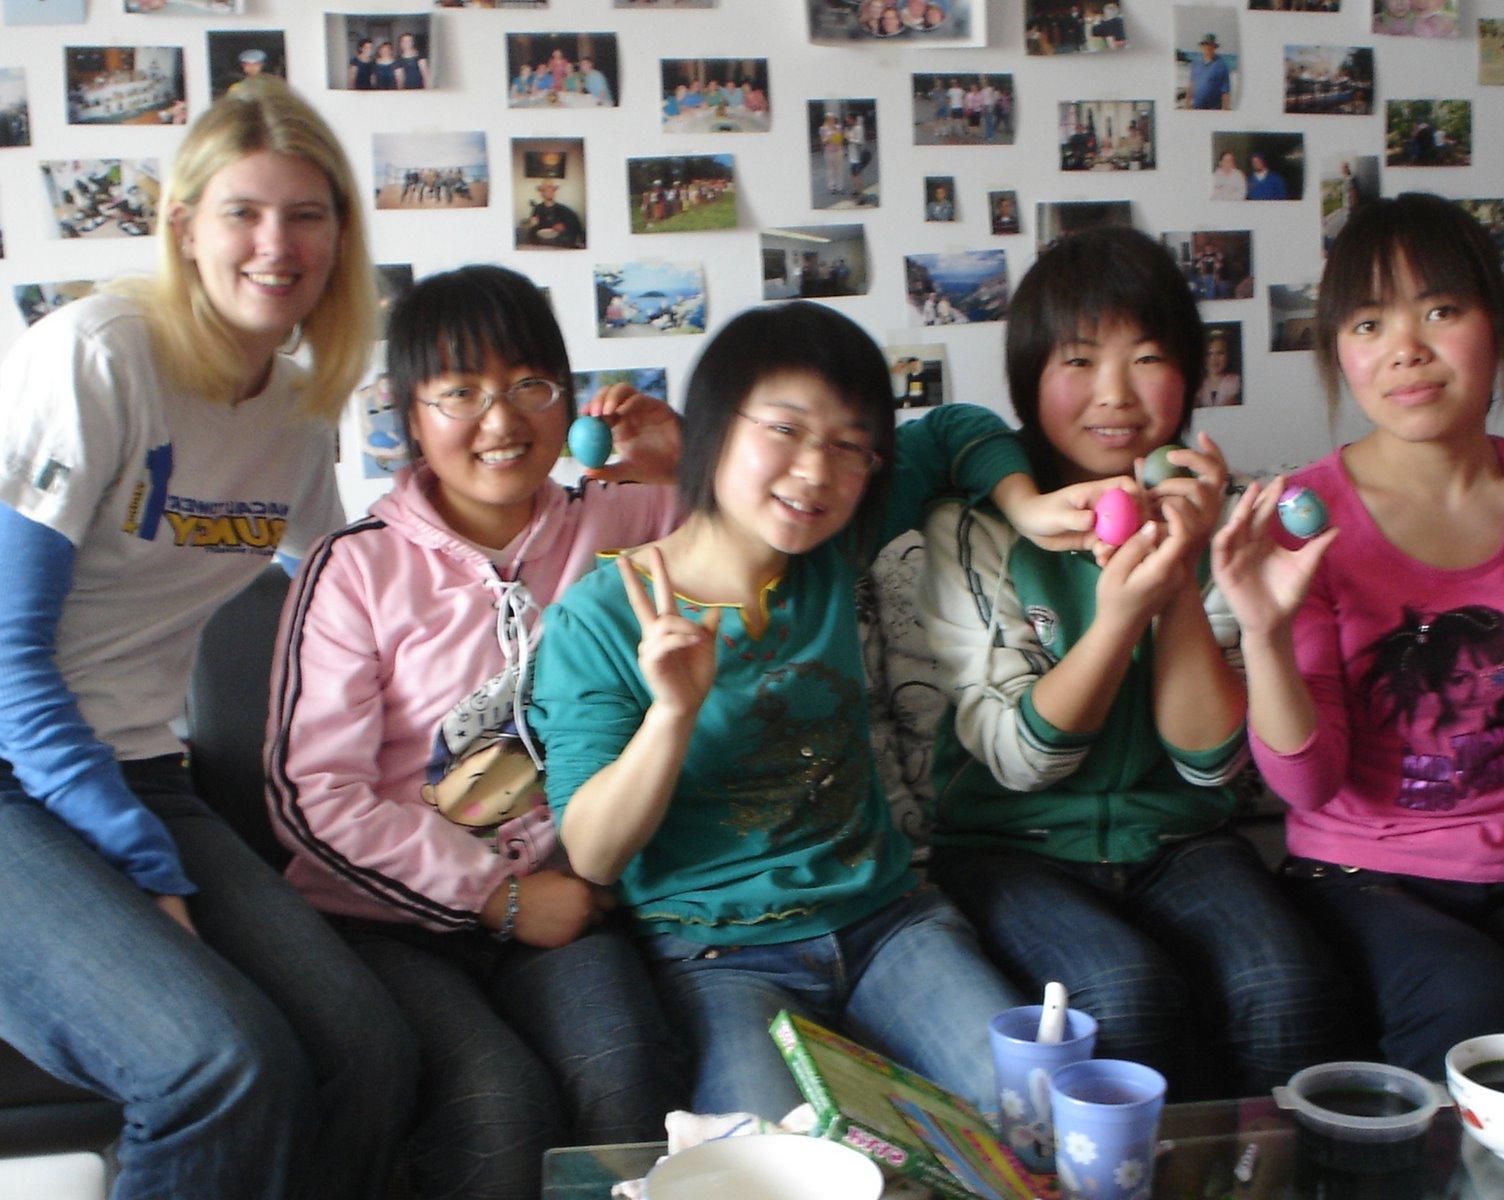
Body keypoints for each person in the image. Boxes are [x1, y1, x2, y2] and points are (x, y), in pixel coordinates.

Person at [530, 302, 1107, 1121]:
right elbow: (592, 852)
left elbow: (953, 429)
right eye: (786, 430)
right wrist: (672, 713)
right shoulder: (603, 615)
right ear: (712, 434)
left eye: (848, 444)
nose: (815, 471)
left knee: (1037, 1113)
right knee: (765, 1167)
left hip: (887, 925)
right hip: (719, 957)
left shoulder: (828, 552)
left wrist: (1025, 507)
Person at [0, 78, 415, 1200]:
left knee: (365, 1054)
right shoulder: (97, 357)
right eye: (243, 211)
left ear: (340, 236)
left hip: (140, 767)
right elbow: (6, 667)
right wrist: (139, 865)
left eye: (307, 214)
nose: (275, 244)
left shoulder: (291, 413)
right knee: (213, 1065)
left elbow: (367, 592)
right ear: (184, 225)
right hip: (13, 775)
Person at [266, 265, 687, 1198]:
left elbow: (765, 527)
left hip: (569, 910)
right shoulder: (355, 569)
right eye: (461, 393)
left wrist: (676, 463)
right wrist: (495, 899)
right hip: (388, 922)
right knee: (497, 1111)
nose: (501, 422)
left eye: (530, 387)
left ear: (569, 401)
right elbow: (314, 796)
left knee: (624, 1077)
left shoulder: (629, 520)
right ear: (411, 417)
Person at [918, 227, 1345, 1098]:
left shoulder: (1226, 523)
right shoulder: (974, 528)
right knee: (1120, 995)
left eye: (1147, 358)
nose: (1114, 395)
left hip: (1182, 841)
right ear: (1030, 379)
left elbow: (1209, 764)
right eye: (1078, 360)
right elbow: (1024, 761)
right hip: (1013, 847)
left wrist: (1184, 575)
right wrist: (1118, 619)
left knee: (1289, 988)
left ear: (1189, 375)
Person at [1211, 192, 1504, 1078]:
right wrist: (1264, 635)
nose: (1405, 349)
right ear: (1338, 352)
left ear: (1498, 326)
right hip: (1361, 876)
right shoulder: (1307, 517)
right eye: (1367, 322)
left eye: (1441, 310)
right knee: (1469, 1004)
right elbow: (1310, 782)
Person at [527, 178, 586, 248]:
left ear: (554, 192)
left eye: (550, 189)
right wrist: (532, 223)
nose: (548, 192)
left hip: (559, 244)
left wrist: (565, 226)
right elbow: (532, 228)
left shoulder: (564, 210)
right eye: (544, 190)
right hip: (541, 244)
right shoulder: (537, 209)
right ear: (541, 193)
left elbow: (577, 226)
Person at [1197, 327, 1242, 408]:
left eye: (1220, 353)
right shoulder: (1198, 385)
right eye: (1209, 354)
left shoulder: (1237, 381)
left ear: (1228, 355)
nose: (1214, 359)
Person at [1187, 33, 1231, 110]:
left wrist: (1225, 111)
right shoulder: (1196, 63)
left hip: (1213, 109)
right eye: (1205, 45)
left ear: (1215, 47)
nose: (1208, 47)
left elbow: (1225, 91)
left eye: (1211, 45)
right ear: (1202, 46)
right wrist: (1187, 104)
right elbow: (1191, 85)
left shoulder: (1221, 66)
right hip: (1196, 107)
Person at [819, 112, 846, 196]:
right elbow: (823, 141)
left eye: (833, 118)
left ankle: (840, 187)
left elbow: (842, 140)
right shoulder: (823, 129)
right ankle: (832, 187)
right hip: (828, 152)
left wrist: (840, 137)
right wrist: (829, 138)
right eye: (830, 118)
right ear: (827, 119)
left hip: (838, 151)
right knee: (830, 170)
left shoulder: (838, 127)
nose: (832, 120)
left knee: (839, 170)